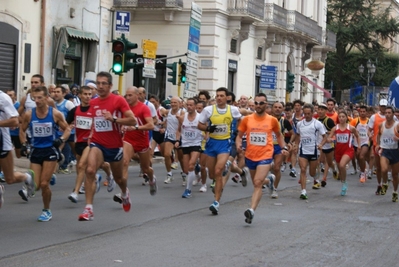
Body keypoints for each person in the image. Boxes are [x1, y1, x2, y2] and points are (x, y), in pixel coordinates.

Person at [78, 72, 137, 221]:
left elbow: (132, 121)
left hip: (114, 146)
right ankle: (88, 209)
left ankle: (124, 192)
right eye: (98, 83)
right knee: (90, 170)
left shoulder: (118, 100)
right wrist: (91, 134)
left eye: (104, 83)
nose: (100, 86)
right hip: (98, 143)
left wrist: (114, 119)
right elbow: (95, 122)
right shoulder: (93, 102)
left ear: (110, 86)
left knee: (119, 178)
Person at [19, 86, 71, 221]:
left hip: (50, 150)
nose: (36, 101)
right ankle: (47, 177)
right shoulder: (29, 114)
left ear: (47, 98)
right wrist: (24, 144)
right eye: (34, 98)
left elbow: (67, 129)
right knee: (35, 186)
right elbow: (22, 130)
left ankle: (46, 210)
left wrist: (61, 139)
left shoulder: (55, 114)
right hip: (36, 150)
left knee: (44, 184)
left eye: (39, 98)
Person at [236, 93, 288, 224]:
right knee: (256, 181)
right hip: (250, 155)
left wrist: (284, 148)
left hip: (265, 155)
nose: (258, 106)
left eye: (261, 103)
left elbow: (279, 135)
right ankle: (269, 180)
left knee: (257, 183)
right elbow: (239, 135)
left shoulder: (272, 120)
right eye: (256, 103)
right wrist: (238, 145)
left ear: (266, 105)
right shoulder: (247, 119)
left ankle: (251, 210)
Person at [65, 86, 114, 203]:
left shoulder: (95, 109)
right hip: (79, 142)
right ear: (80, 96)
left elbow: (104, 123)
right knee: (98, 164)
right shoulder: (75, 110)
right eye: (85, 94)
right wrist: (67, 129)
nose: (87, 97)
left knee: (82, 165)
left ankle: (75, 192)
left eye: (89, 94)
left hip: (92, 142)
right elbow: (65, 124)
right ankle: (107, 175)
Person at [197, 87, 242, 215]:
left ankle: (216, 202)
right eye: (217, 96)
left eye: (222, 95)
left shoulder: (233, 110)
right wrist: (208, 128)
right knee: (212, 175)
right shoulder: (208, 110)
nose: (219, 98)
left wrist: (237, 131)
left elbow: (240, 120)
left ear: (227, 97)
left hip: (225, 143)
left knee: (218, 171)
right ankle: (217, 185)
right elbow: (199, 125)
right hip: (211, 144)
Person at [113, 86, 156, 204]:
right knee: (125, 162)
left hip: (142, 141)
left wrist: (136, 127)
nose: (127, 97)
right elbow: (121, 121)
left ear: (137, 96)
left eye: (130, 95)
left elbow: (151, 125)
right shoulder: (124, 109)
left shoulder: (143, 108)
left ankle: (152, 179)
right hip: (128, 139)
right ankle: (124, 193)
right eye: (126, 95)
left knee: (146, 168)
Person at [0, 90, 35, 209]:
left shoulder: (3, 98)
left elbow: (14, 121)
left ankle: (27, 177)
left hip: (2, 144)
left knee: (9, 179)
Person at [321, 111, 359, 196]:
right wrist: (329, 140)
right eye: (340, 117)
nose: (341, 118)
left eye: (343, 117)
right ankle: (343, 181)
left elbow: (357, 135)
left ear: (346, 118)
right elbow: (328, 138)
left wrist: (359, 145)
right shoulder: (335, 128)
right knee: (340, 170)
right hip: (338, 151)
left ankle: (345, 183)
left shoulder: (351, 128)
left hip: (348, 150)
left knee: (342, 165)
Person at [295, 104, 326, 200]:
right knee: (303, 169)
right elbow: (297, 135)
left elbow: (325, 137)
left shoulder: (317, 124)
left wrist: (321, 144)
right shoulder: (300, 124)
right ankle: (303, 191)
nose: (307, 115)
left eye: (309, 113)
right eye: (305, 113)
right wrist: (296, 145)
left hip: (314, 151)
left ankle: (315, 177)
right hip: (303, 150)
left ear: (313, 113)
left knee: (312, 173)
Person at [177, 98, 203, 198]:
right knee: (187, 169)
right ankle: (197, 168)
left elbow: (206, 127)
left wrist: (206, 135)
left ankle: (188, 190)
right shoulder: (182, 117)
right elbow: (178, 130)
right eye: (187, 105)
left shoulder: (200, 117)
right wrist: (177, 140)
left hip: (196, 143)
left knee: (191, 165)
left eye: (191, 105)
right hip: (185, 143)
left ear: (195, 106)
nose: (189, 107)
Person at [375, 106, 399, 200]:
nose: (387, 115)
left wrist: (398, 139)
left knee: (395, 174)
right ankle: (385, 183)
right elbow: (378, 134)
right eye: (386, 113)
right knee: (383, 169)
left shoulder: (397, 125)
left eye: (389, 113)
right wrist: (378, 144)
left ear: (393, 114)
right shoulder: (381, 125)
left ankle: (395, 192)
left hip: (395, 151)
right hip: (385, 150)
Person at [368, 99, 387, 194]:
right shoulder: (374, 117)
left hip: (388, 146)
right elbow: (369, 129)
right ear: (379, 106)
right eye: (382, 106)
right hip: (377, 145)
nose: (383, 108)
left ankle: (385, 183)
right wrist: (369, 134)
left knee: (385, 167)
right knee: (379, 167)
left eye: (385, 107)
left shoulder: (392, 117)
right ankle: (379, 184)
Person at [317, 103, 337, 187]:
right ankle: (319, 180)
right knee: (318, 161)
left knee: (328, 162)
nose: (320, 111)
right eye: (319, 109)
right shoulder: (316, 120)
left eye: (322, 110)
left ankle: (334, 169)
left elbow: (335, 130)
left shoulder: (329, 120)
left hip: (328, 144)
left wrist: (328, 134)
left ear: (325, 111)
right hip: (319, 143)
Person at [350, 105, 370, 183]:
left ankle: (362, 173)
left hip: (366, 142)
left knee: (361, 156)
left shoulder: (369, 121)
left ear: (367, 112)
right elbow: (350, 129)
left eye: (364, 111)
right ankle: (363, 170)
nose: (362, 113)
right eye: (361, 112)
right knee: (358, 158)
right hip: (356, 142)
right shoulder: (355, 121)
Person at [6, 89, 22, 158]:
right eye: (7, 95)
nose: (9, 97)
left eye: (10, 95)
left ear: (15, 96)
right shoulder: (4, 105)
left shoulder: (18, 105)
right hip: (7, 132)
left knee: (18, 152)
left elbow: (22, 118)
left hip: (16, 132)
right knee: (6, 151)